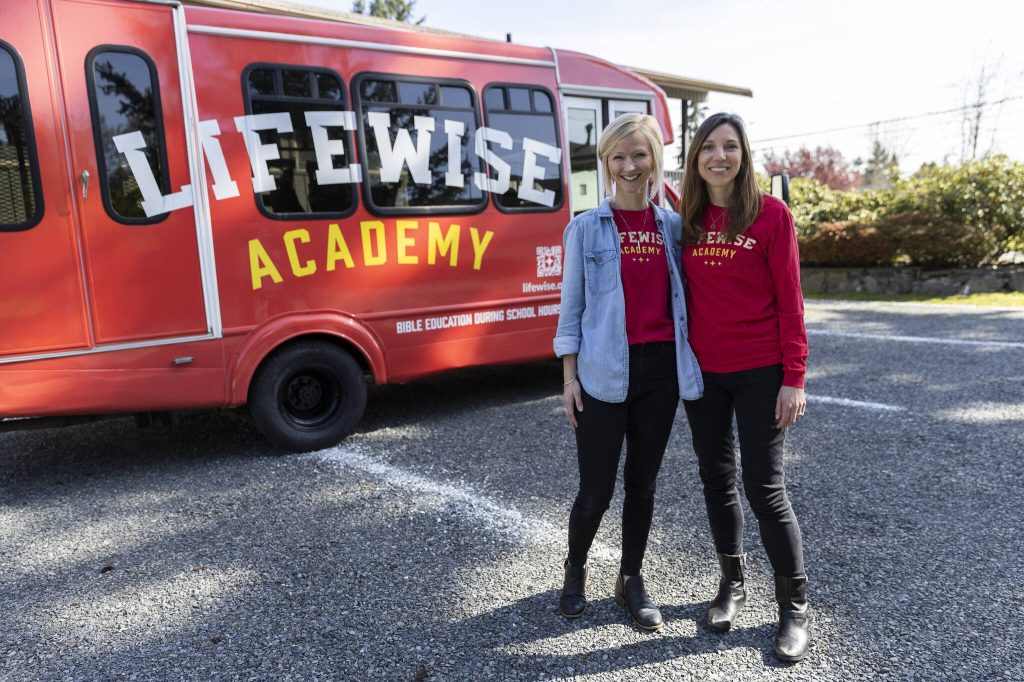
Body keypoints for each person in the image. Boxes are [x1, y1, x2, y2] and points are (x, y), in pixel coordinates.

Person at [553, 113, 702, 630]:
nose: (629, 165)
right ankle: (575, 572)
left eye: (639, 154)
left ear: (654, 158)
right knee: (595, 489)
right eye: (618, 156)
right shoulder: (585, 229)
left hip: (661, 371)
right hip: (601, 371)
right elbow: (570, 313)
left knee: (643, 484)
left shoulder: (675, 229)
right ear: (606, 164)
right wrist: (569, 380)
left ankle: (630, 579)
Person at [678, 112, 811, 661]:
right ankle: (732, 583)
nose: (719, 156)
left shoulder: (771, 215)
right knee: (716, 479)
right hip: (704, 374)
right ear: (696, 158)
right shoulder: (684, 218)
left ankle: (795, 605)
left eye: (730, 146)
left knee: (765, 488)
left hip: (761, 373)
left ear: (744, 154)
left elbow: (790, 300)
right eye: (709, 147)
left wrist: (794, 377)